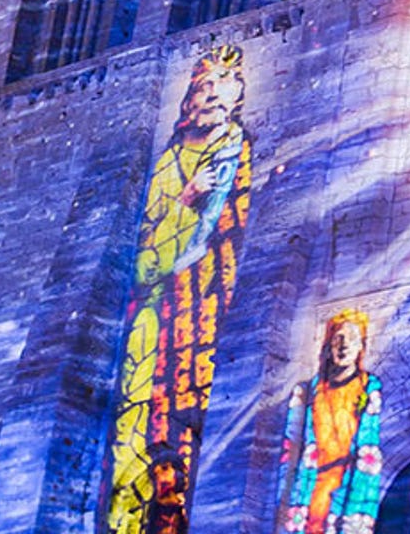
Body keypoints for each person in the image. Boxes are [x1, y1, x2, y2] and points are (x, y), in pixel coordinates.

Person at [105, 48, 255, 534]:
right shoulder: (167, 164)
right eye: (205, 87)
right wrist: (186, 201)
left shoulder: (238, 151)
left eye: (224, 91)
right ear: (189, 97)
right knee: (141, 439)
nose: (212, 97)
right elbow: (143, 263)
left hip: (209, 318)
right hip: (155, 329)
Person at [277, 309, 387, 534]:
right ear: (328, 346)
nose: (344, 345)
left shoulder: (369, 388)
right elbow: (290, 450)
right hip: (309, 490)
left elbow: (369, 450)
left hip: (347, 489)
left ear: (361, 346)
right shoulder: (307, 392)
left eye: (352, 339)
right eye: (338, 338)